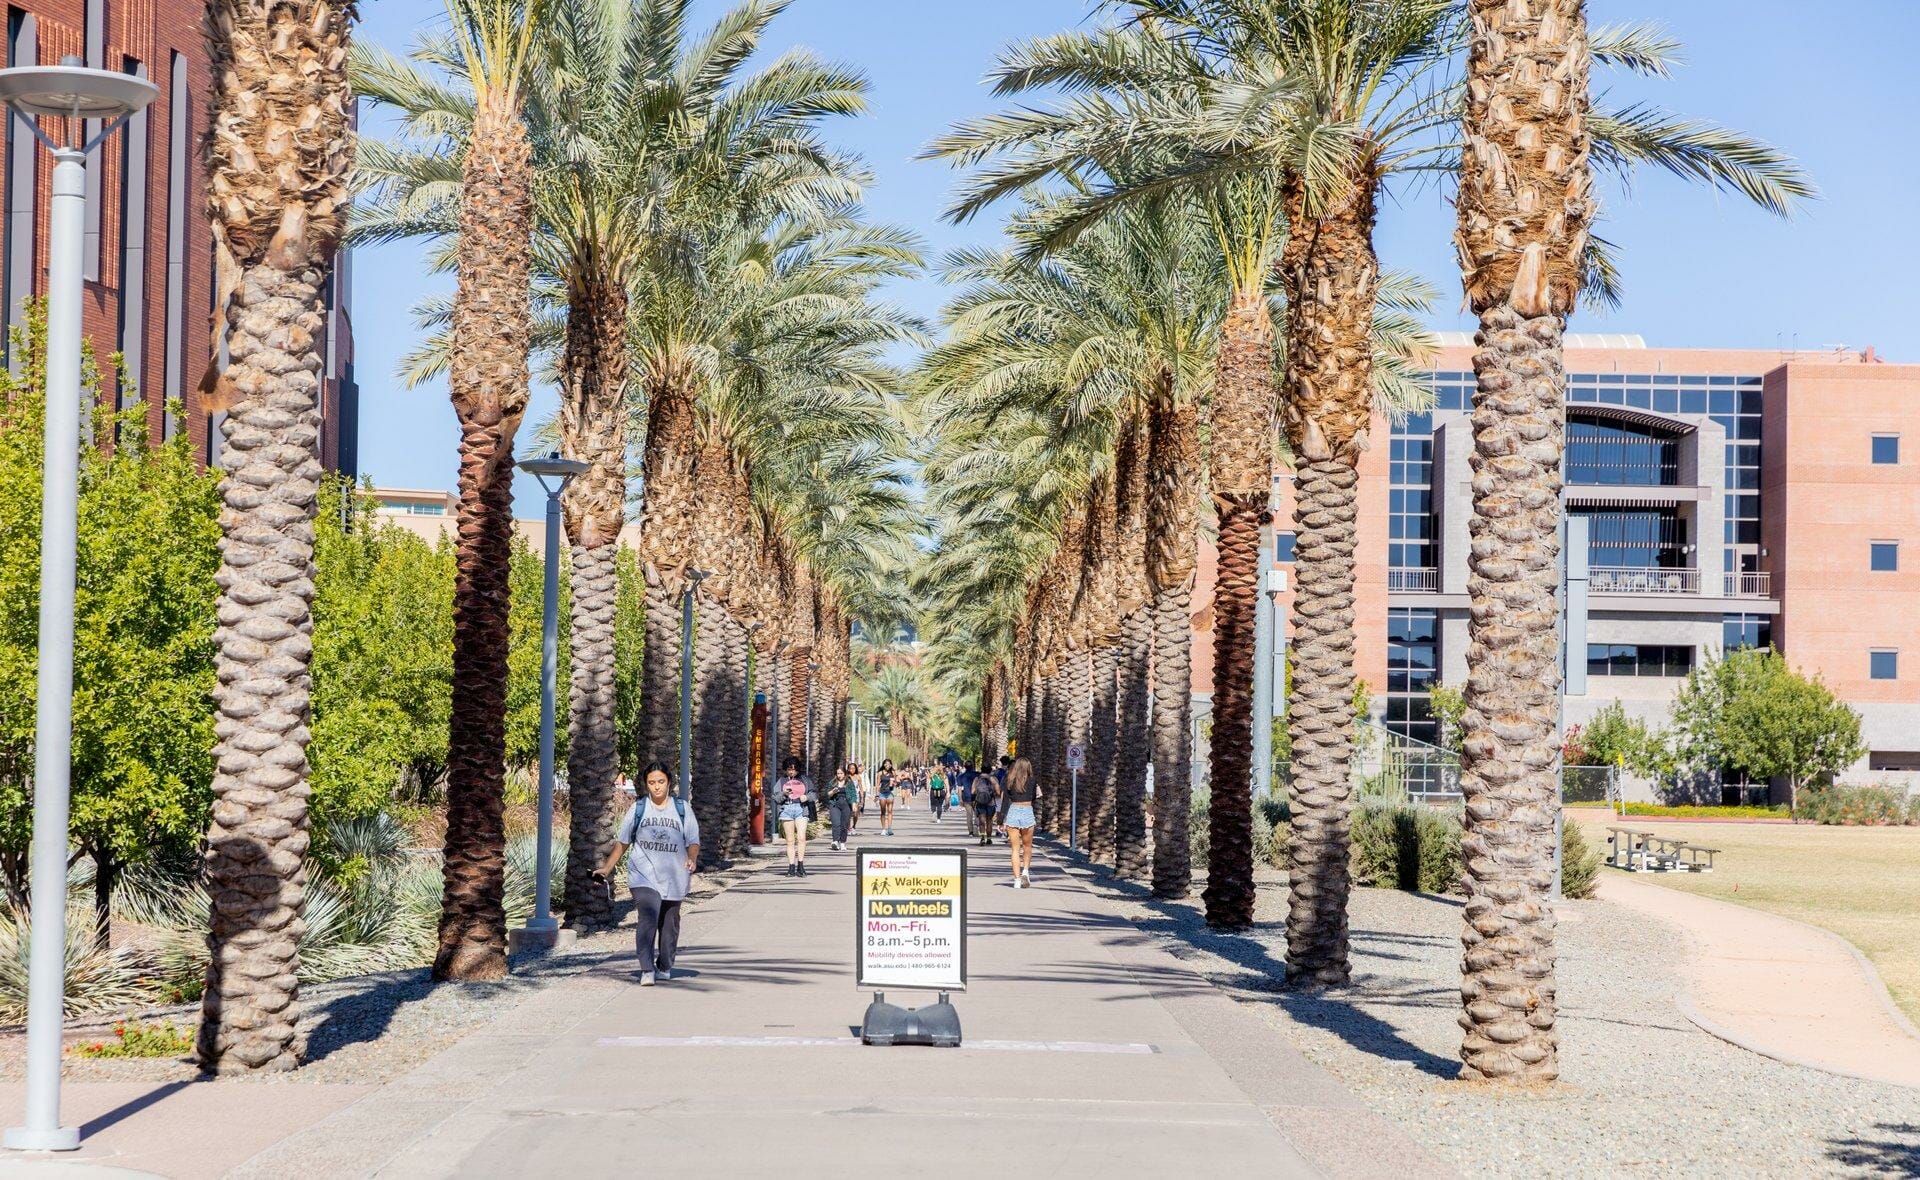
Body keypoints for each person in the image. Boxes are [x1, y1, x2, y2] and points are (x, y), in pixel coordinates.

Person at [594, 762, 700, 985]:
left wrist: (692, 859)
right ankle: (646, 968)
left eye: (661, 782)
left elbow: (692, 841)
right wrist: (607, 868)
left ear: (669, 782)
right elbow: (623, 842)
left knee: (669, 925)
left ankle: (665, 964)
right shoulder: (639, 808)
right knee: (648, 915)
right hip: (643, 874)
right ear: (646, 785)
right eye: (651, 783)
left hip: (674, 875)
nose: (657, 787)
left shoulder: (682, 809)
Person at [997, 755, 1040, 888]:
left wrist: (1000, 819)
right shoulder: (1033, 780)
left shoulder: (1009, 780)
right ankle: (1025, 872)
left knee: (1015, 848)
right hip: (1027, 810)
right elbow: (1035, 797)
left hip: (1013, 811)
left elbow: (1005, 800)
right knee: (1027, 846)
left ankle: (1016, 880)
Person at [774, 756, 815, 875]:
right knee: (790, 840)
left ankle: (800, 865)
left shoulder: (805, 780)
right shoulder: (781, 781)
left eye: (793, 769)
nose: (791, 771)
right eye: (789, 769)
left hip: (801, 809)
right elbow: (776, 798)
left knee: (801, 838)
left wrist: (806, 797)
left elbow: (813, 795)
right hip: (786, 810)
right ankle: (791, 866)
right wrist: (784, 793)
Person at [826, 765, 857, 851]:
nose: (839, 775)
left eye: (841, 773)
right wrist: (833, 791)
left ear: (845, 774)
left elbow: (853, 794)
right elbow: (828, 794)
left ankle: (842, 842)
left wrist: (854, 804)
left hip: (846, 804)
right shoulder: (833, 782)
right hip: (835, 804)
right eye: (838, 773)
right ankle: (835, 841)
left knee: (844, 825)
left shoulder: (849, 782)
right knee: (836, 823)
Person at [972, 766, 999, 847]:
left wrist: (979, 794)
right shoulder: (993, 779)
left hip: (980, 802)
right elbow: (998, 792)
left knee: (981, 821)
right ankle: (989, 838)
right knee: (989, 821)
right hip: (990, 802)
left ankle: (983, 837)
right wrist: (992, 794)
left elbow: (972, 791)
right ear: (990, 770)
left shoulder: (977, 779)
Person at [876, 759, 898, 836]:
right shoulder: (880, 773)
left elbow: (896, 782)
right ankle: (883, 829)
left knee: (890, 811)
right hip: (882, 793)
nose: (887, 765)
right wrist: (877, 795)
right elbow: (878, 784)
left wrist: (894, 783)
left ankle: (889, 828)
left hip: (890, 793)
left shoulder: (893, 773)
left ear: (891, 765)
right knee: (883, 812)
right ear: (883, 764)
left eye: (889, 764)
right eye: (886, 764)